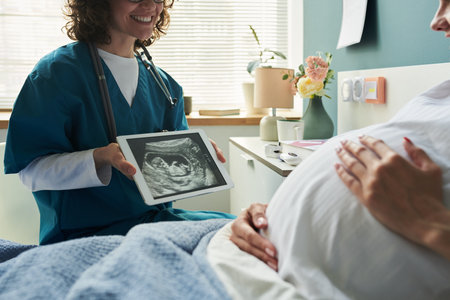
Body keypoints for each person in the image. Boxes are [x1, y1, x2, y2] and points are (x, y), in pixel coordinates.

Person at [230, 0, 450, 270]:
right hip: (250, 257)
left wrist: (432, 224)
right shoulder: (438, 93)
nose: (436, 21)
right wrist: (271, 214)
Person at [4, 0, 233, 245]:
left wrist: (194, 154)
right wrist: (100, 157)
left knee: (244, 231)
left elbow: (168, 179)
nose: (150, 5)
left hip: (156, 225)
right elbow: (30, 174)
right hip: (84, 235)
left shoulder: (164, 85)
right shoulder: (56, 74)